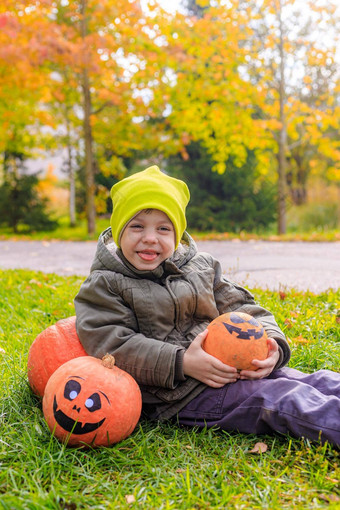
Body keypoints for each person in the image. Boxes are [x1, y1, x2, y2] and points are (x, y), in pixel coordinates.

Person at [74, 165, 340, 447]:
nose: (150, 237)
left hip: (230, 365)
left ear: (176, 235)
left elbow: (241, 305)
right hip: (178, 394)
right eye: (137, 226)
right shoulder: (106, 283)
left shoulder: (201, 266)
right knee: (283, 398)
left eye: (163, 228)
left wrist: (272, 344)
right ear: (118, 233)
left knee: (316, 381)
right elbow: (112, 345)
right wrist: (183, 362)